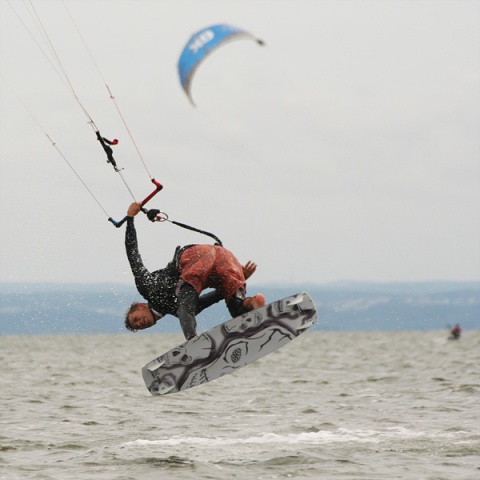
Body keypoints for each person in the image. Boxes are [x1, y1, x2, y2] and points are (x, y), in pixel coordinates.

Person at [124, 202, 265, 339]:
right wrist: (240, 279)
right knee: (237, 310)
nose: (140, 324)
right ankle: (252, 302)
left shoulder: (146, 287)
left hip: (196, 257)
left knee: (185, 306)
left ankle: (192, 341)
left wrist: (130, 218)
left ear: (140, 306)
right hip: (224, 258)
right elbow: (218, 295)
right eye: (138, 327)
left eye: (135, 319)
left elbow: (133, 255)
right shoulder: (181, 310)